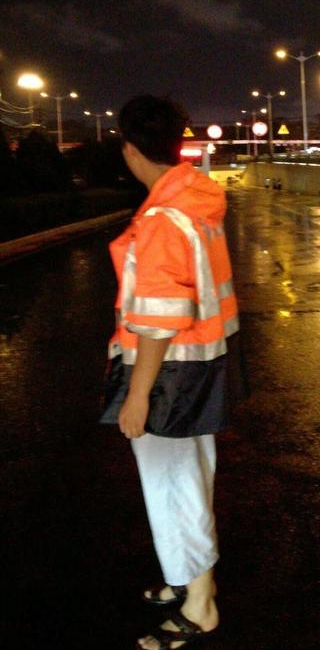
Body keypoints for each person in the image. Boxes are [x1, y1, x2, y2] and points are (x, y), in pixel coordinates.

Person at [102, 95, 240, 649]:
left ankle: (201, 604)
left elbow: (158, 321)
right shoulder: (195, 202)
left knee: (172, 486)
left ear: (132, 150)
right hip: (201, 368)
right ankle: (186, 577)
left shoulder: (163, 218)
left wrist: (137, 398)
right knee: (190, 479)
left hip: (170, 376)